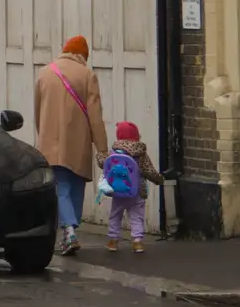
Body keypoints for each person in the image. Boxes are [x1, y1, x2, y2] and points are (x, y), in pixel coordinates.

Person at [33, 35, 108, 255]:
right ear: (82, 54)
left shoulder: (45, 73)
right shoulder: (87, 75)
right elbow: (95, 116)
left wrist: (43, 133)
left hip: (52, 141)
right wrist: (102, 149)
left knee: (60, 187)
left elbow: (38, 110)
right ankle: (70, 229)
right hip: (79, 141)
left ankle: (68, 231)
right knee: (75, 185)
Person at [104, 120, 164, 253]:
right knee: (137, 215)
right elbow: (149, 171)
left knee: (115, 214)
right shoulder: (141, 153)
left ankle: (113, 240)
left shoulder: (113, 153)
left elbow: (104, 164)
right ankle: (137, 241)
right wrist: (159, 180)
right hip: (136, 190)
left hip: (118, 191)